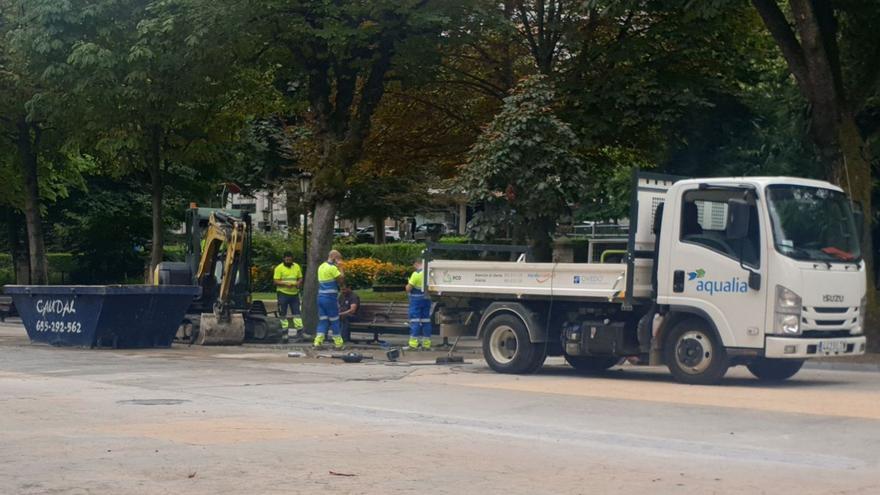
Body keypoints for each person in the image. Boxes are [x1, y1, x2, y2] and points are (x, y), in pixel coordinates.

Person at [315, 250, 346, 349]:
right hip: (330, 298)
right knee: (334, 320)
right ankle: (338, 343)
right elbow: (341, 280)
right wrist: (341, 268)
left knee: (323, 321)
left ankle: (318, 342)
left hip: (320, 297)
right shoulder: (332, 268)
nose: (340, 261)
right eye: (339, 259)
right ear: (334, 257)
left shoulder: (321, 266)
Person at [273, 251, 303, 341]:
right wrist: (286, 284)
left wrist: (298, 283)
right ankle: (284, 333)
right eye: (287, 259)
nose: (288, 261)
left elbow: (300, 278)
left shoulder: (296, 266)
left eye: (290, 259)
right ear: (284, 259)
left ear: (292, 259)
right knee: (283, 314)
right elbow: (275, 281)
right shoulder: (279, 268)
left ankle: (300, 333)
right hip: (283, 293)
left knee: (297, 314)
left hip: (294, 294)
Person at [406, 259, 432, 350]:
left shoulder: (416, 274)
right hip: (427, 299)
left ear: (417, 263)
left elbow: (409, 288)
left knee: (415, 321)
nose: (414, 266)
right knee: (426, 321)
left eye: (414, 264)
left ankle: (413, 345)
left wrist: (407, 286)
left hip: (416, 300)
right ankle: (426, 344)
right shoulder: (429, 273)